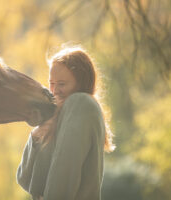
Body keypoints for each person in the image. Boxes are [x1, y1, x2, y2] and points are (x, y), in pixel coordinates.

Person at [16, 46, 115, 200]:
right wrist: (36, 137)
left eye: (62, 84)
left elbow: (66, 171)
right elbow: (25, 180)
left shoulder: (82, 103)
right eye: (51, 83)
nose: (54, 91)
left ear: (82, 83)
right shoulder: (55, 116)